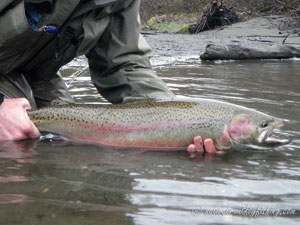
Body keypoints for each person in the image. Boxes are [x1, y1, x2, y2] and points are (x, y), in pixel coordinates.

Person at [0, 0, 218, 153]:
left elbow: (124, 64)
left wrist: (172, 119)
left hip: (36, 71)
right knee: (13, 141)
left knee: (68, 141)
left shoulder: (122, 2)